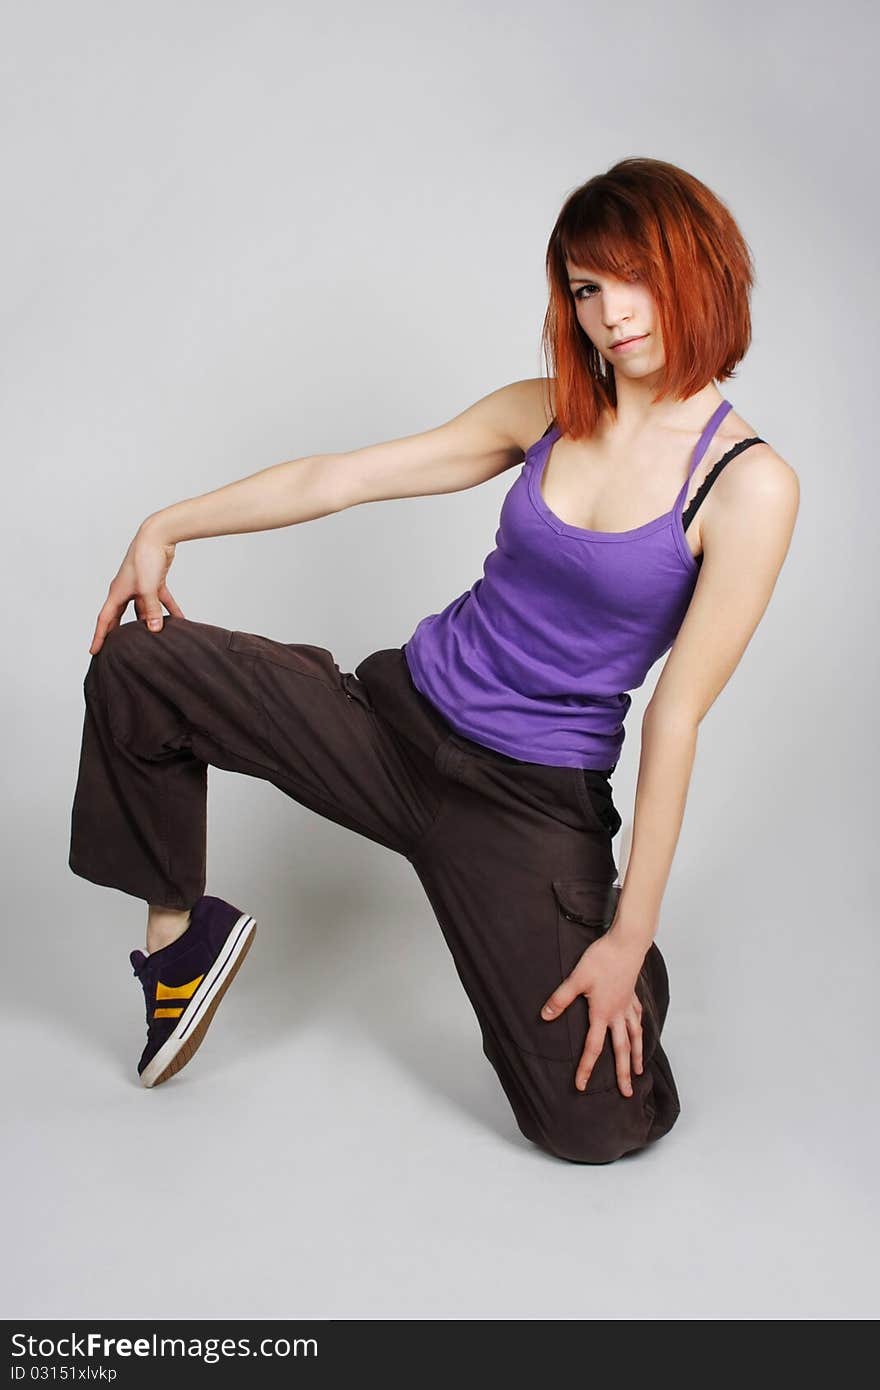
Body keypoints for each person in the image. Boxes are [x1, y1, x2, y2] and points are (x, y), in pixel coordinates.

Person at [68, 156, 799, 1164]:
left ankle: (586, 930)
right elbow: (341, 477)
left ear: (695, 270)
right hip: (392, 722)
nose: (609, 313)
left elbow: (675, 719)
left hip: (527, 802)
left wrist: (626, 941)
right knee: (136, 660)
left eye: (631, 276)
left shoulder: (748, 485)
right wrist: (167, 524)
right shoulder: (548, 409)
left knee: (595, 1129)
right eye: (586, 288)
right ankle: (178, 947)